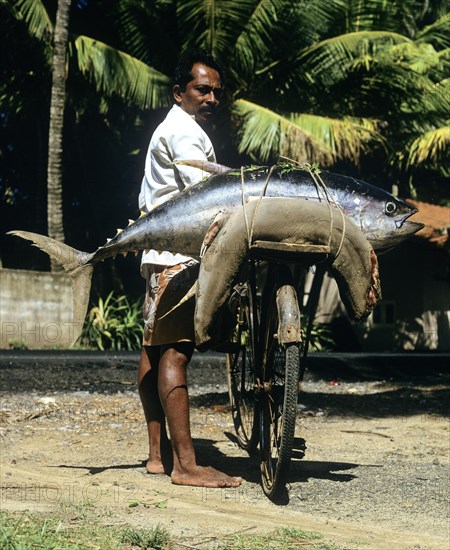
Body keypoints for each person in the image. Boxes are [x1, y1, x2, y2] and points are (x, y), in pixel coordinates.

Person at [137, 49, 242, 488]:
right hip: (180, 258)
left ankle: (158, 456)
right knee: (177, 352)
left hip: (157, 256)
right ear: (179, 92)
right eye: (203, 89)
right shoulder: (184, 133)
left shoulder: (175, 127)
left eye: (217, 91)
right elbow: (206, 197)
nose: (212, 98)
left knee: (154, 351)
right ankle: (186, 464)